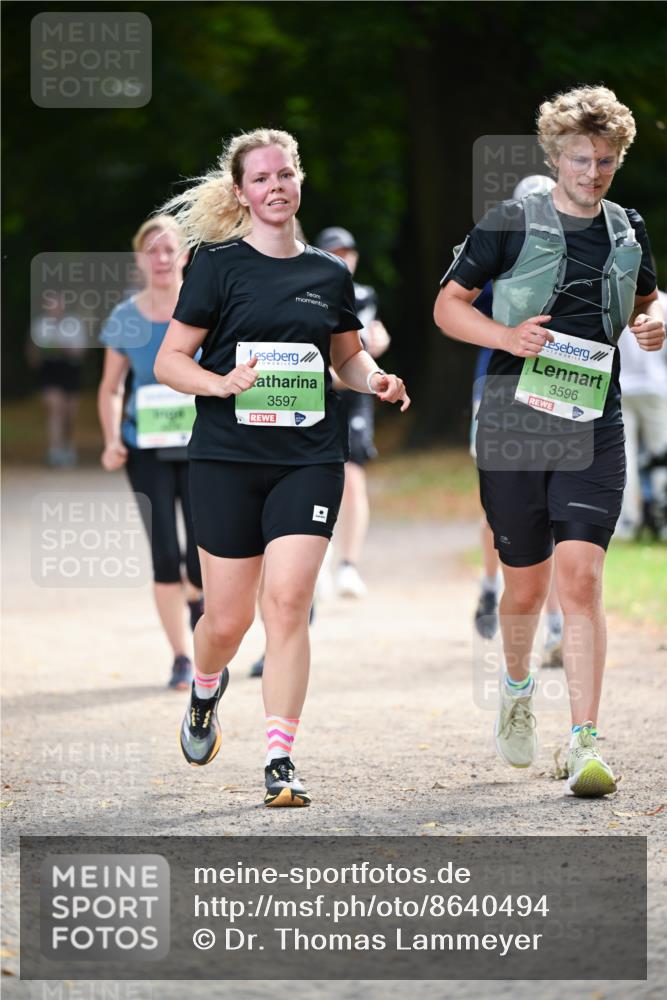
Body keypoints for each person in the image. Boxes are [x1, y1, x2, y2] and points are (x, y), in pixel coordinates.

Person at [153, 128, 409, 807]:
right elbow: (170, 361)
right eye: (261, 178)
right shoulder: (216, 266)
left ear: (299, 180)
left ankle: (279, 758)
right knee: (226, 622)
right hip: (227, 459)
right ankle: (206, 689)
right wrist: (219, 384)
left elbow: (346, 356)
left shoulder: (328, 273)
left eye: (284, 174)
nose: (275, 187)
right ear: (241, 193)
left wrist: (375, 380)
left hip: (309, 457)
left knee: (290, 601)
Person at [434, 86, 664, 797]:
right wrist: (505, 337)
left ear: (618, 159)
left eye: (605, 160)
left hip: (593, 420)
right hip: (516, 420)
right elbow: (447, 306)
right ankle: (515, 687)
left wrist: (650, 324)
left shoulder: (627, 228)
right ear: (554, 157)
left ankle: (585, 741)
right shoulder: (509, 222)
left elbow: (643, 299)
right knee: (526, 585)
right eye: (579, 159)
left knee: (582, 578)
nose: (592, 172)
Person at [97, 215, 204, 691]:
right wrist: (111, 438)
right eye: (151, 250)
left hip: (203, 445)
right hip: (146, 449)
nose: (161, 258)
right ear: (139, 260)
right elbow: (111, 388)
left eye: (169, 249)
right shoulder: (126, 317)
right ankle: (181, 657)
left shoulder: (205, 306)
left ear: (184, 256)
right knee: (164, 553)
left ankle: (200, 606)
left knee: (202, 555)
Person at [471, 177, 564, 667]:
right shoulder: (500, 251)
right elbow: (459, 308)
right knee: (500, 508)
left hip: (560, 392)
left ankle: (556, 623)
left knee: (557, 512)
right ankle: (492, 586)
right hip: (498, 392)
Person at [314, 226, 391, 597]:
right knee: (317, 476)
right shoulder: (308, 293)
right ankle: (319, 555)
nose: (343, 260)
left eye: (348, 253)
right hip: (317, 391)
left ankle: (348, 564)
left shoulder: (364, 295)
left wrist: (380, 344)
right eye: (335, 253)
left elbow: (367, 343)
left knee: (354, 474)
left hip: (355, 394)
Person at [616, 289, 667, 540]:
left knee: (624, 457)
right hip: (655, 386)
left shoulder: (615, 299)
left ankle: (626, 521)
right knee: (661, 454)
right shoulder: (662, 302)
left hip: (623, 385)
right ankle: (662, 519)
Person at [27, 291, 86, 467]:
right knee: (55, 409)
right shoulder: (39, 326)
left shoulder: (74, 324)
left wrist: (64, 348)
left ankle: (68, 445)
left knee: (69, 413)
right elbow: (33, 354)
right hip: (50, 371)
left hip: (70, 371)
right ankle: (55, 450)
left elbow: (80, 352)